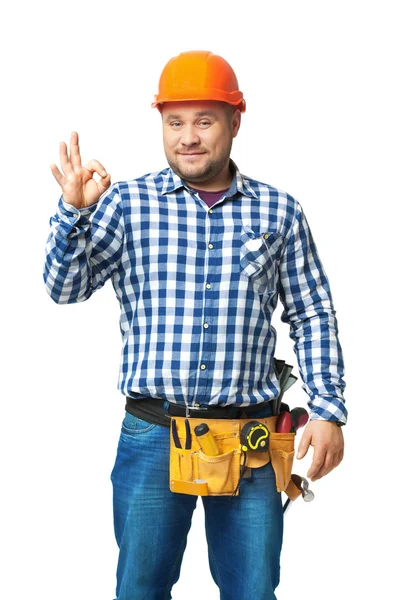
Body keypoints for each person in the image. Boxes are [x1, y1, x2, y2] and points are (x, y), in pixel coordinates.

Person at [44, 50, 347, 600]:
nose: (188, 136)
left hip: (250, 440)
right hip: (155, 434)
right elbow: (64, 289)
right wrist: (75, 212)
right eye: (174, 121)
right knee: (140, 589)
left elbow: (312, 312)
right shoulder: (126, 204)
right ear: (160, 123)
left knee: (253, 591)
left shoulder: (278, 213)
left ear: (235, 121)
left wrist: (327, 408)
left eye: (204, 121)